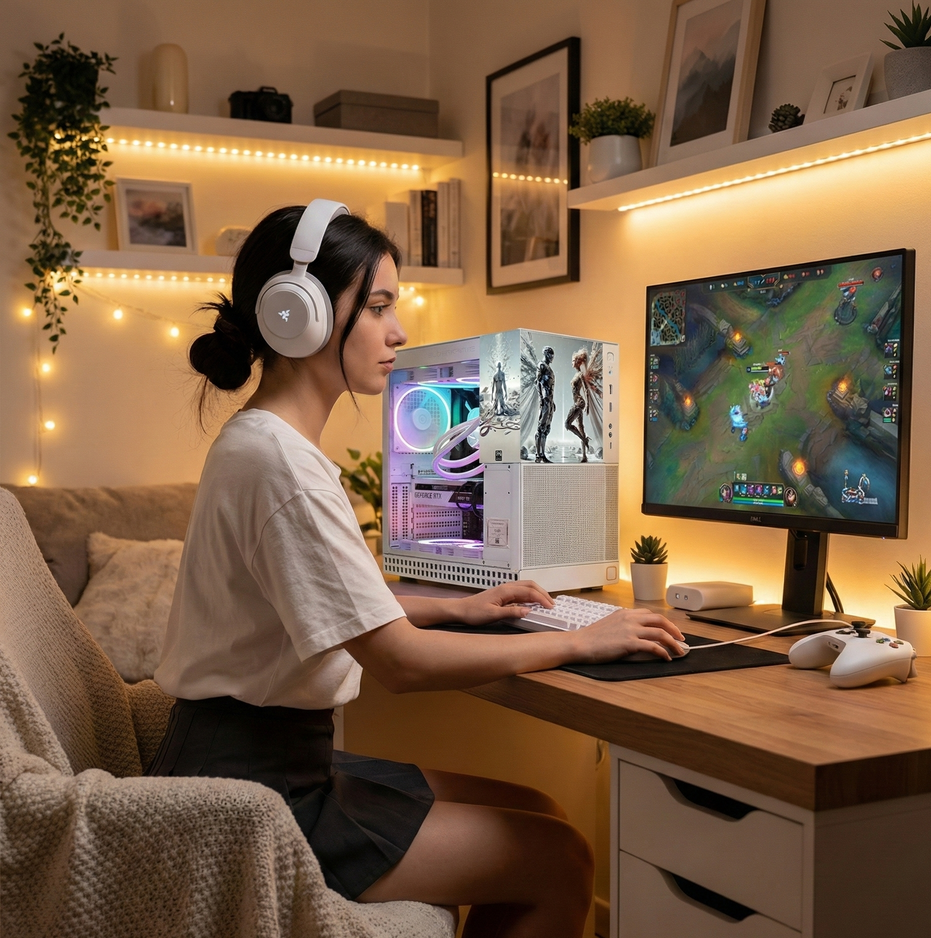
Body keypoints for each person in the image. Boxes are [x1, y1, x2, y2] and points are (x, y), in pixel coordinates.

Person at [149, 204, 684, 938]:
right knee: (560, 859)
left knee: (539, 810)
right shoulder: (282, 466)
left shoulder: (261, 443)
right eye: (377, 306)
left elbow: (325, 600)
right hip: (257, 799)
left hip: (254, 763)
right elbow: (398, 663)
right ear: (297, 315)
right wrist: (581, 640)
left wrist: (462, 608)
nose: (398, 331)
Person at [535, 346, 555, 462]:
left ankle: (543, 455)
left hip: (550, 402)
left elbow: (551, 387)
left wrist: (552, 402)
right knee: (540, 428)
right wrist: (541, 399)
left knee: (546, 429)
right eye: (550, 354)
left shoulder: (550, 369)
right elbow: (537, 382)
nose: (552, 357)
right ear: (546, 354)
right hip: (545, 401)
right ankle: (538, 456)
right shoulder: (541, 365)